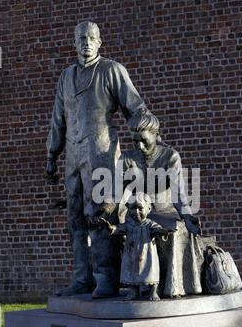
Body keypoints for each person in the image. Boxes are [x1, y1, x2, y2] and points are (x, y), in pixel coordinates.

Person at [46, 21, 149, 297]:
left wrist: (145, 133)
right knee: (75, 217)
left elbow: (135, 106)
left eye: (91, 38)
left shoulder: (111, 71)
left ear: (100, 42)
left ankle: (106, 277)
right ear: (74, 42)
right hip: (73, 156)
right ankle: (82, 277)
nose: (86, 42)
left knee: (101, 214)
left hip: (102, 152)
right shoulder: (66, 77)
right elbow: (58, 119)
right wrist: (52, 154)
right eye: (81, 38)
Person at [118, 111, 203, 297]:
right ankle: (132, 286)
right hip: (137, 213)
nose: (139, 146)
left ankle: (171, 287)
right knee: (126, 230)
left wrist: (187, 216)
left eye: (144, 141)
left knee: (173, 230)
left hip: (166, 212)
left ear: (156, 136)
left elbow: (178, 194)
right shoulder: (126, 159)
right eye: (134, 142)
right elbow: (116, 195)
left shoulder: (170, 157)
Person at [101, 192, 174, 301]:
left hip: (147, 254)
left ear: (149, 209)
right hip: (131, 255)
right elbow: (118, 229)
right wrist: (110, 227)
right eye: (132, 208)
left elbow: (157, 229)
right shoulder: (129, 225)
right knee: (130, 272)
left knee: (150, 271)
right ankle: (133, 292)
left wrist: (163, 231)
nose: (136, 212)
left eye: (140, 208)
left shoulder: (149, 224)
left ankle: (153, 292)